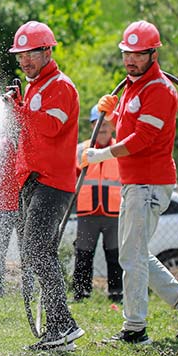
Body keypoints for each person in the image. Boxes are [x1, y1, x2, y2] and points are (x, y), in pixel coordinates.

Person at [85, 21, 178, 345]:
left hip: (149, 184)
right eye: (127, 53)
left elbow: (142, 139)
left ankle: (135, 328)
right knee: (134, 254)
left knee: (132, 257)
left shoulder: (160, 90)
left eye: (139, 54)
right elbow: (128, 126)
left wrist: (103, 154)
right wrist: (110, 116)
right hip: (136, 183)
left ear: (154, 54)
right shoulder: (133, 87)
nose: (131, 59)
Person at [5, 20, 84, 350]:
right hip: (34, 180)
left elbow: (51, 127)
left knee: (36, 250)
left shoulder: (60, 86)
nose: (25, 61)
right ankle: (58, 330)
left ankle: (63, 325)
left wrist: (20, 110)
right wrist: (18, 109)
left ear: (48, 52)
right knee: (39, 252)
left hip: (53, 183)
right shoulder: (35, 87)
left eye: (31, 54)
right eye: (20, 55)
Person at [73, 106, 122, 302]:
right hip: (87, 211)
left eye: (106, 124)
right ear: (92, 126)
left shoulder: (120, 148)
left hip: (114, 212)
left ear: (113, 127)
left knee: (115, 253)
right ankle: (81, 293)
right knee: (83, 252)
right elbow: (72, 176)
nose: (102, 128)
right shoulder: (81, 150)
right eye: (98, 124)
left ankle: (116, 292)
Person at [0, 133, 20, 297]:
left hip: (22, 205)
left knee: (27, 251)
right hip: (1, 207)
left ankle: (28, 289)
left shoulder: (26, 143)